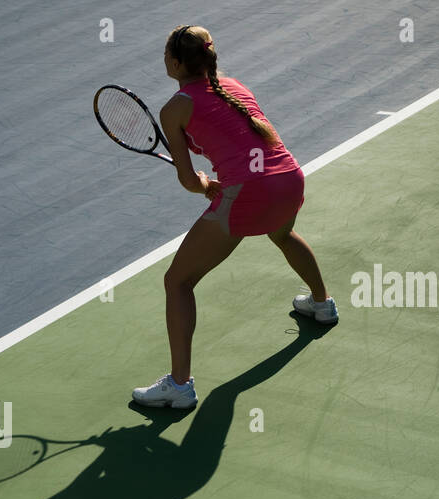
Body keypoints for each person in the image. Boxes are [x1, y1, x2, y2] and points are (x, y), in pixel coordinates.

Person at [133, 24, 337, 409]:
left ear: (176, 63)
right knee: (282, 235)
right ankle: (322, 303)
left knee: (177, 282)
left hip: (247, 195)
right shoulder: (235, 86)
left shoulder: (174, 109)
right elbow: (245, 149)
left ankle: (179, 386)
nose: (163, 60)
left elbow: (188, 180)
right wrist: (218, 182)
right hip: (288, 180)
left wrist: (207, 184)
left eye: (164, 55)